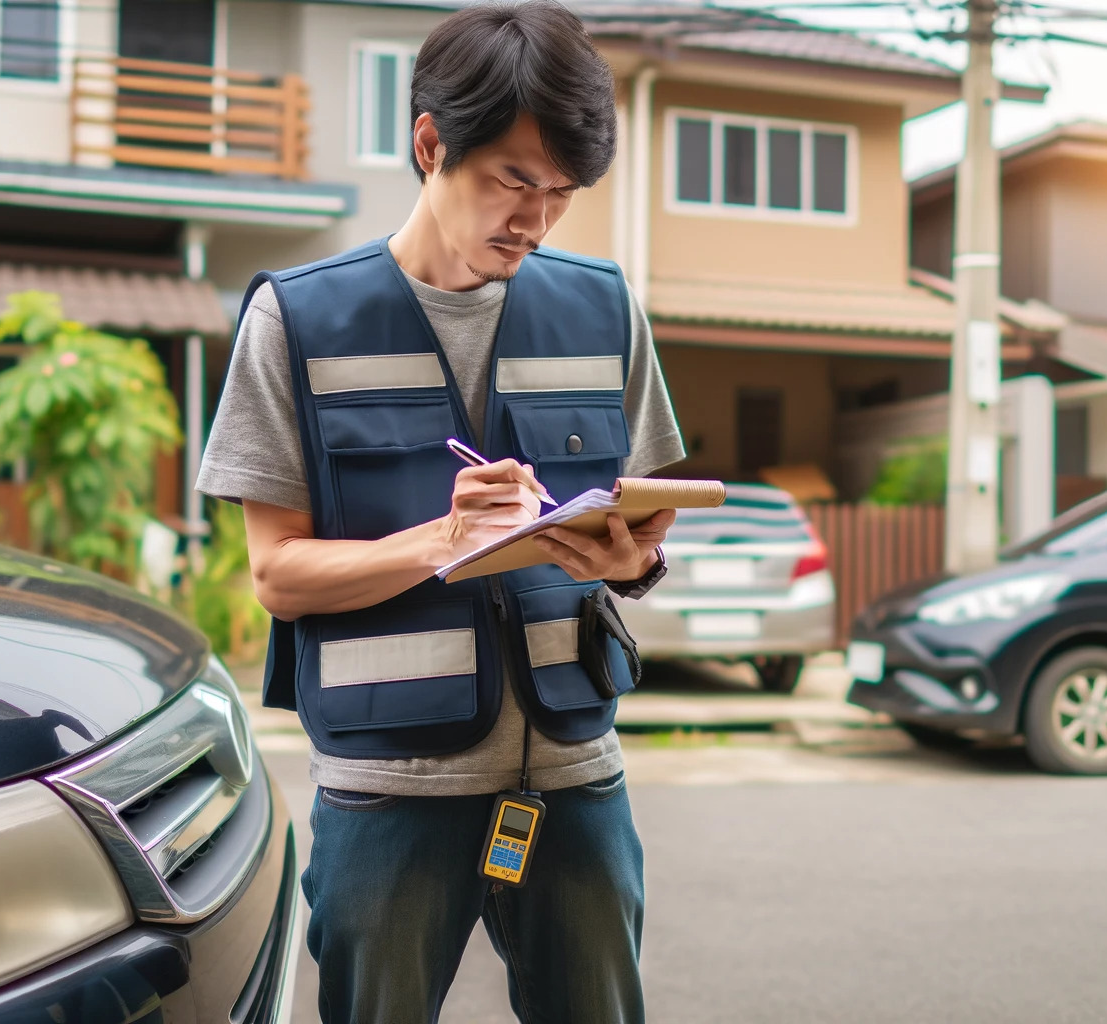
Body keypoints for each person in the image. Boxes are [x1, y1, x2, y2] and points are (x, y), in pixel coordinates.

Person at [196, 2, 685, 1020]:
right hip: (390, 786)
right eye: (513, 179)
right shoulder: (296, 318)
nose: (535, 218)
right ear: (430, 142)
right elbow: (276, 575)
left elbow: (639, 533)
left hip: (575, 775)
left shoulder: (605, 308)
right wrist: (442, 541)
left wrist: (628, 562)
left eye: (560, 192)